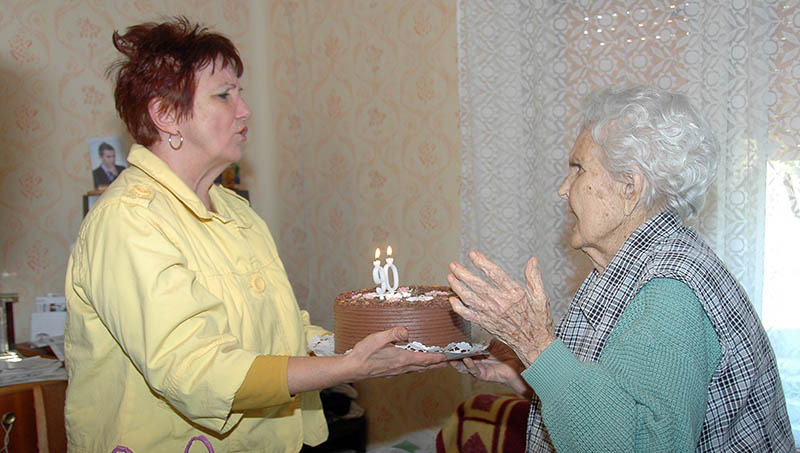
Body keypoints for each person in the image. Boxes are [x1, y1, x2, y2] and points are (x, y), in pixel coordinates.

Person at [65, 18, 446, 452]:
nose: (244, 110)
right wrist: (348, 368)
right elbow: (195, 371)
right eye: (224, 95)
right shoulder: (129, 221)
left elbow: (285, 332)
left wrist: (357, 346)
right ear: (166, 115)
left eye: (240, 93)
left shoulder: (236, 212)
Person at [446, 86, 795, 451]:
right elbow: (617, 404)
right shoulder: (646, 263)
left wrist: (535, 344)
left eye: (579, 169)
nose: (563, 189)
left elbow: (644, 443)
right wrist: (528, 373)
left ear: (630, 185)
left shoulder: (669, 292)